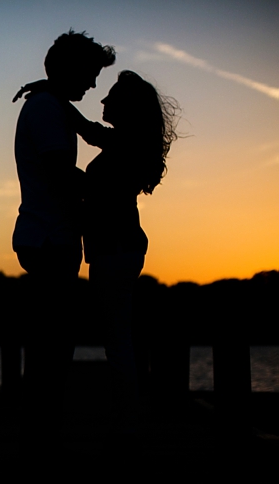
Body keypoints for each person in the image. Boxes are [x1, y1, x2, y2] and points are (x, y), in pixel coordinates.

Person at [10, 31, 115, 443]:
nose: (92, 84)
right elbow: (60, 174)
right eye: (89, 74)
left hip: (50, 237)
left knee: (53, 339)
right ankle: (42, 434)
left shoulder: (53, 105)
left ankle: (43, 430)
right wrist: (108, 192)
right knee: (53, 343)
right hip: (49, 239)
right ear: (70, 70)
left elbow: (90, 132)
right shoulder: (47, 110)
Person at [66, 71, 180, 435]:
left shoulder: (124, 148)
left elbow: (90, 175)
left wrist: (58, 172)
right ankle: (126, 421)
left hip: (114, 251)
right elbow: (91, 134)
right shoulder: (126, 145)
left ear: (126, 107)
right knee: (118, 340)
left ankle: (126, 426)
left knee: (117, 344)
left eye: (110, 97)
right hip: (119, 250)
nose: (102, 102)